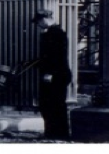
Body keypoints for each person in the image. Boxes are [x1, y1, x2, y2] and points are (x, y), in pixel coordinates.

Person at [31, 8, 72, 140]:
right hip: (58, 74)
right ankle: (54, 132)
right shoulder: (56, 32)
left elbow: (56, 56)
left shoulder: (54, 34)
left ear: (43, 19)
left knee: (52, 105)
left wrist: (49, 72)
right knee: (53, 104)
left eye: (38, 22)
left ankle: (56, 133)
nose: (38, 25)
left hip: (55, 75)